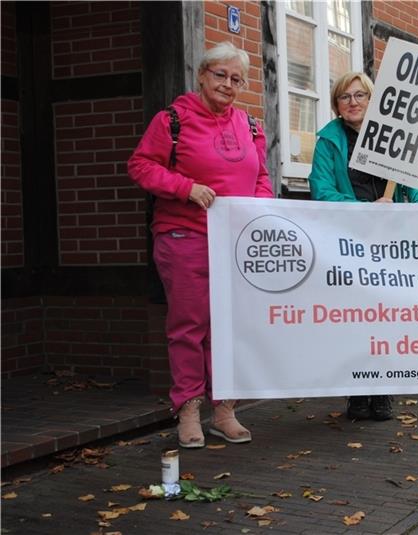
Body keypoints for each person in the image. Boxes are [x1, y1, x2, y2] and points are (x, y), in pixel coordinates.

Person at [128, 42, 273, 448]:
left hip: (234, 241)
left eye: (236, 78)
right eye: (220, 75)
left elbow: (261, 176)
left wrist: (257, 207)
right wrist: (185, 187)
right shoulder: (172, 120)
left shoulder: (250, 126)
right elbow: (140, 165)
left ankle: (224, 411)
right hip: (183, 235)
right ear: (203, 75)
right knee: (189, 327)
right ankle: (189, 410)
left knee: (228, 327)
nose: (228, 84)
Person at [309, 71, 418, 421]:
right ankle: (357, 390)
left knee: (388, 314)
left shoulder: (394, 139)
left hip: (392, 240)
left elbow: (417, 187)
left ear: (373, 100)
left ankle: (383, 389)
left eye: (361, 95)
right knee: (356, 316)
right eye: (345, 97)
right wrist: (365, 210)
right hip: (350, 241)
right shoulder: (328, 142)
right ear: (336, 105)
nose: (353, 102)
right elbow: (321, 191)